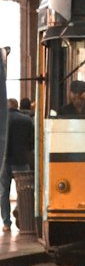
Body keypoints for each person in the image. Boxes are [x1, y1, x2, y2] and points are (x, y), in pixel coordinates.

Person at [3, 98, 33, 233]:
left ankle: (6, 223)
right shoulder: (26, 120)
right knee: (24, 190)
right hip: (22, 160)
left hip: (4, 161)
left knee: (3, 192)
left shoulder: (2, 120)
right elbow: (32, 140)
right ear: (17, 106)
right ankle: (19, 210)